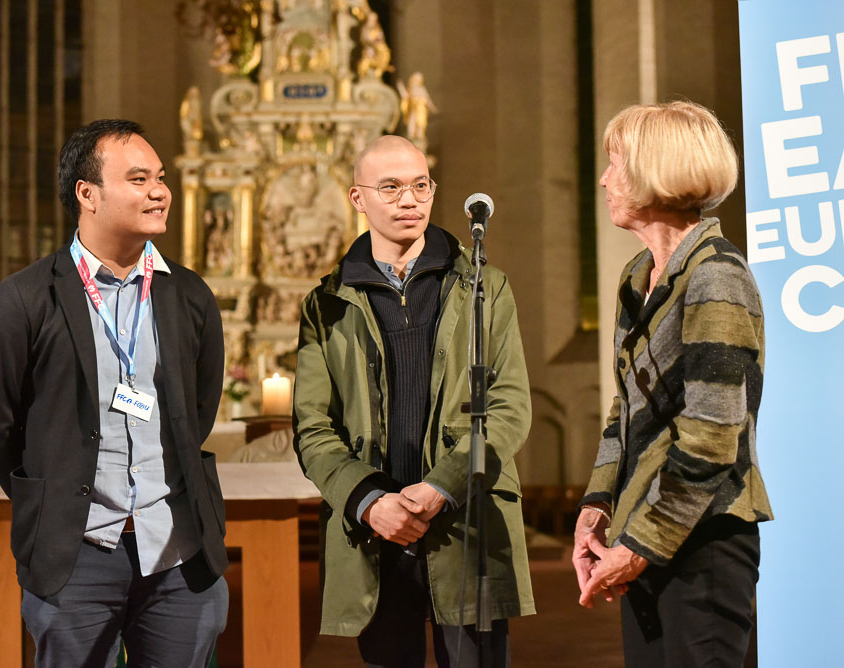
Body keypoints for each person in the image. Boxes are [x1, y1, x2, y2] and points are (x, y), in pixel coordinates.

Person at [0, 119, 228, 667]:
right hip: (76, 553)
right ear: (88, 193)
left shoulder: (189, 294)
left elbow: (198, 409)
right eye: (138, 179)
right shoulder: (25, 299)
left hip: (177, 550)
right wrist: (53, 496)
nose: (159, 192)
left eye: (160, 178)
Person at [293, 135, 534, 667]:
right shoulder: (327, 303)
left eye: (420, 185)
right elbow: (312, 426)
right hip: (376, 530)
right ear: (358, 198)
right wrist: (369, 501)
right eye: (391, 187)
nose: (409, 200)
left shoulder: (483, 286)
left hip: (466, 519)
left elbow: (509, 406)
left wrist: (443, 485)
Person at [572, 101, 773, 667]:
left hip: (703, 539)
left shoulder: (716, 274)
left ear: (656, 172)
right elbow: (626, 409)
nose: (604, 179)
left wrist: (639, 546)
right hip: (646, 529)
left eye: (616, 164)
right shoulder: (638, 277)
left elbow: (712, 438)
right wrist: (597, 504)